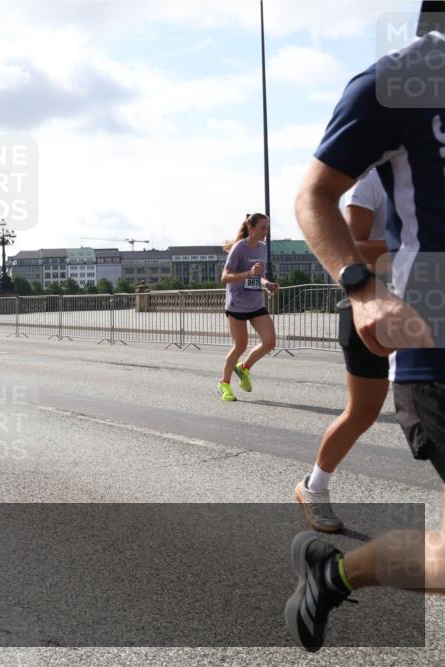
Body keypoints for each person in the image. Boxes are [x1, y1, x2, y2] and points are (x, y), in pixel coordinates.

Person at [284, 9, 443, 652]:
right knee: (358, 409)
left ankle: (333, 573)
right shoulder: (403, 77)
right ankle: (326, 521)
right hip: (434, 346)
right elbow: (314, 198)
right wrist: (362, 288)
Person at [295, 169, 390, 533]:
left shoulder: (427, 178)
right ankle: (313, 487)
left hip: (426, 304)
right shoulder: (373, 181)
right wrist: (409, 243)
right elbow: (352, 247)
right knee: (364, 412)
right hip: (370, 307)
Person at [217, 213, 279, 402]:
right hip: (237, 303)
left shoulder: (262, 248)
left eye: (267, 228)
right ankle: (224, 384)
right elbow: (225, 277)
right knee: (240, 345)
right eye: (262, 228)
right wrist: (247, 273)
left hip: (255, 302)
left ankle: (244, 368)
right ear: (251, 229)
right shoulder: (239, 248)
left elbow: (257, 276)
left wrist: (267, 283)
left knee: (269, 342)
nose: (265, 232)